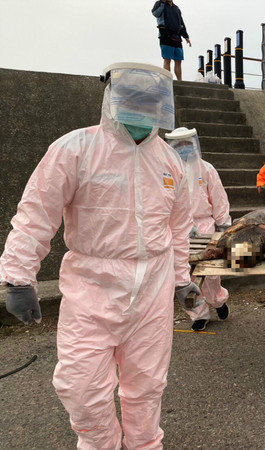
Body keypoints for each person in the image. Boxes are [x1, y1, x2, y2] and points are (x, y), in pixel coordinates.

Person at [0, 62, 201, 449]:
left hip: (152, 293)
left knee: (147, 385)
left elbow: (176, 230)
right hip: (91, 289)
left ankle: (144, 444)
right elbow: (36, 214)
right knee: (81, 388)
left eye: (151, 102)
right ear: (113, 97)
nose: (143, 110)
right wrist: (19, 277)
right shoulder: (76, 148)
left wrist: (182, 279)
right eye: (135, 100)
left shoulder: (170, 161)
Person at [165, 127, 232, 332]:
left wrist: (224, 224)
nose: (184, 148)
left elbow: (218, 197)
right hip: (178, 228)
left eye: (187, 143)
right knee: (186, 275)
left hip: (204, 225)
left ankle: (218, 300)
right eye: (179, 144)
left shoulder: (207, 169)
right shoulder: (167, 171)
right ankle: (199, 314)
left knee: (210, 273)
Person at [152, 0, 191, 81]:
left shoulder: (176, 8)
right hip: (165, 35)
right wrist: (162, 3)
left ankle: (180, 81)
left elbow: (181, 23)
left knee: (178, 60)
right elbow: (155, 13)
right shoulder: (159, 3)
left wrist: (186, 36)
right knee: (167, 59)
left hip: (177, 37)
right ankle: (166, 80)